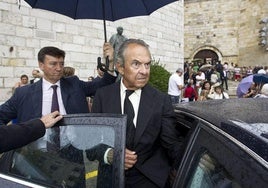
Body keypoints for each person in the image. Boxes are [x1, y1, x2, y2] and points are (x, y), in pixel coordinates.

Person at [0, 44, 116, 187]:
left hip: (73, 156)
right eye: (53, 64)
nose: (59, 68)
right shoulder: (23, 94)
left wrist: (110, 63)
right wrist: (12, 139)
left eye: (61, 63)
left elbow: (103, 84)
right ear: (41, 65)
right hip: (34, 159)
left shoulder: (74, 85)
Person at [92, 39, 184, 188]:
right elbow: (91, 141)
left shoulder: (161, 101)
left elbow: (171, 144)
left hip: (149, 180)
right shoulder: (102, 96)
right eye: (136, 64)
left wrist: (200, 162)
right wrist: (109, 154)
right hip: (109, 179)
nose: (144, 71)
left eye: (147, 64)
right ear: (120, 67)